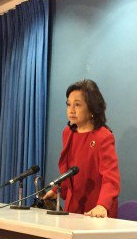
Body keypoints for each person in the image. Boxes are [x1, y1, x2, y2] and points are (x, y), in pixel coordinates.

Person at [43, 80, 120, 218]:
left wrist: (102, 205)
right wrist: (56, 190)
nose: (71, 110)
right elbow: (69, 173)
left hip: (96, 210)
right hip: (73, 206)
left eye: (77, 104)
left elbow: (110, 178)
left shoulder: (103, 136)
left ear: (91, 108)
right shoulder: (68, 133)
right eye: (68, 104)